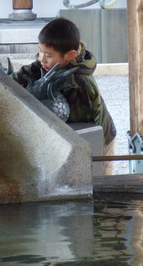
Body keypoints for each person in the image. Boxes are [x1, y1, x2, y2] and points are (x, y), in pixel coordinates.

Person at [11, 17, 117, 174]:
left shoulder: (79, 84)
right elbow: (18, 79)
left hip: (97, 140)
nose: (41, 59)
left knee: (95, 183)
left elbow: (81, 132)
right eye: (40, 51)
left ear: (70, 55)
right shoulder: (44, 66)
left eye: (48, 54)